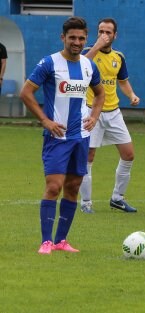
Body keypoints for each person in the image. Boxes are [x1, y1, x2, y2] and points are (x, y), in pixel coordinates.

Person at [19, 17, 105, 254]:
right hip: (57, 137)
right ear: (63, 38)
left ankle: (61, 241)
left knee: (74, 186)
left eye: (81, 38)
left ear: (85, 39)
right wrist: (45, 121)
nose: (77, 42)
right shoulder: (49, 63)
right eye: (72, 38)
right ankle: (46, 241)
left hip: (81, 136)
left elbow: (100, 93)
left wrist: (95, 116)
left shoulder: (89, 66)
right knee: (54, 187)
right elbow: (26, 92)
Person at [79, 18, 140, 213]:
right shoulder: (87, 53)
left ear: (115, 35)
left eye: (108, 32)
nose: (104, 35)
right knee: (88, 156)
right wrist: (96, 47)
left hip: (114, 113)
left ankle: (117, 198)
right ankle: (86, 203)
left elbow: (122, 80)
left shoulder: (119, 57)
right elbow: (80, 68)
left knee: (128, 154)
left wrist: (131, 94)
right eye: (101, 31)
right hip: (90, 111)